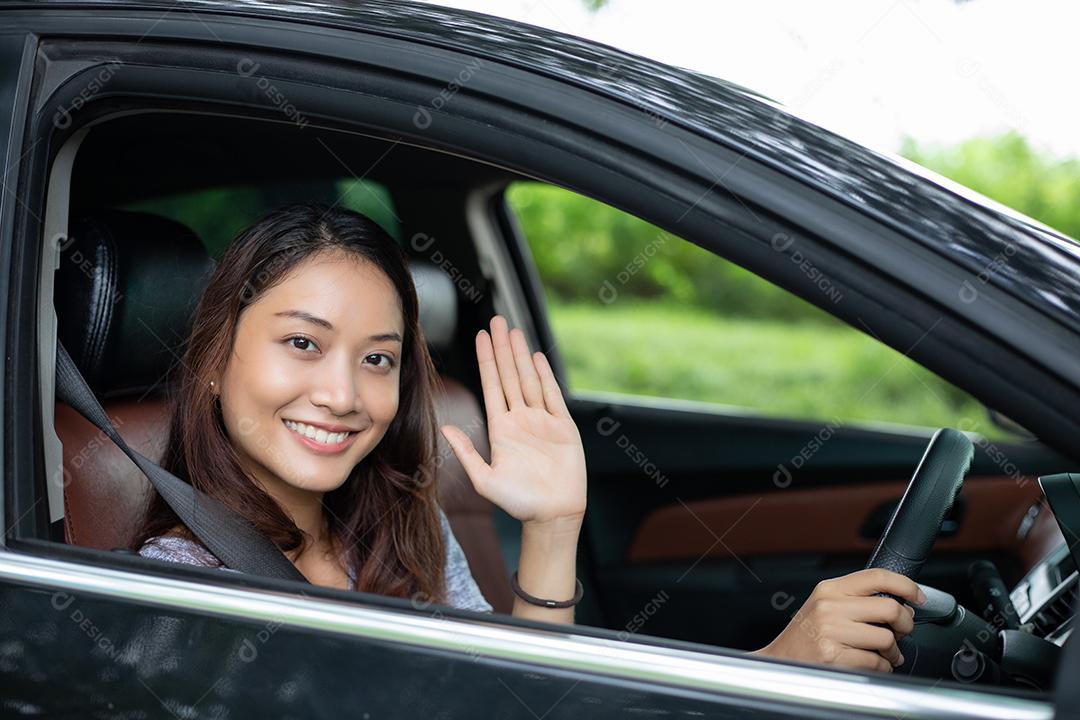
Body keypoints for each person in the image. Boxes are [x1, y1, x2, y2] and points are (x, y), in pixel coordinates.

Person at [133, 202, 922, 670]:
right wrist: (773, 669)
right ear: (214, 359)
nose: (342, 395)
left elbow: (516, 697)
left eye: (378, 358)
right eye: (303, 343)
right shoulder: (175, 592)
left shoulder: (400, 524)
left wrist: (551, 526)